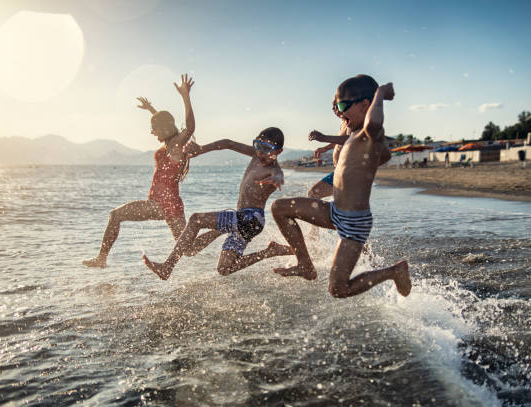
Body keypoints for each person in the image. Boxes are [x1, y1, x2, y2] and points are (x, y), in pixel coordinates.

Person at [269, 74, 411, 298]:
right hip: (334, 212)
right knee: (279, 207)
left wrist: (381, 93)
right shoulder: (356, 135)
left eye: (344, 105)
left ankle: (394, 271)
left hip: (354, 223)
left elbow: (374, 123)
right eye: (337, 105)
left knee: (338, 288)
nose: (340, 111)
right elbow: (384, 155)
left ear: (366, 104)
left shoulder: (370, 132)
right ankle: (305, 264)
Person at [83, 74, 218, 268]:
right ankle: (221, 229)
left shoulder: (175, 146)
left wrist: (185, 97)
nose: (151, 132)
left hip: (161, 204)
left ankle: (101, 259)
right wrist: (151, 110)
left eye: (154, 128)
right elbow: (165, 124)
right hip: (171, 204)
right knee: (187, 249)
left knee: (115, 215)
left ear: (163, 128)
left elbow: (189, 128)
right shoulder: (170, 143)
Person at [142, 127, 293, 280]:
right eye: (257, 145)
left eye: (266, 149)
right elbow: (228, 143)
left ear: (278, 151)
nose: (260, 152)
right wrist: (201, 149)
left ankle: (168, 266)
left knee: (196, 219)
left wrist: (277, 179)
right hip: (244, 221)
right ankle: (269, 252)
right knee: (224, 268)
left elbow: (278, 175)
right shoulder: (256, 155)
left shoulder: (274, 169)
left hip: (250, 219)